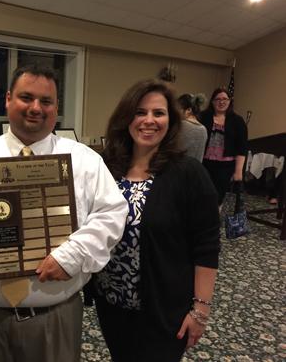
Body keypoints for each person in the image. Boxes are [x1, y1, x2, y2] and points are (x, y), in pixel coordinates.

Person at [0, 64, 128, 362]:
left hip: (55, 315)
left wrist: (71, 256)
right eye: (26, 97)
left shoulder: (84, 161)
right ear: (8, 100)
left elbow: (112, 214)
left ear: (56, 107)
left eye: (46, 101)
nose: (36, 108)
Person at [92, 79, 220, 361]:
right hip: (111, 302)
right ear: (126, 118)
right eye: (140, 112)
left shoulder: (188, 173)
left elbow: (207, 246)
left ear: (170, 121)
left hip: (163, 307)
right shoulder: (106, 168)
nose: (149, 120)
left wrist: (200, 311)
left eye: (158, 113)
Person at [200, 87, 248, 206]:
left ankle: (214, 220)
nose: (221, 102)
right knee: (202, 193)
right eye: (218, 99)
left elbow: (242, 148)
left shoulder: (237, 121)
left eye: (225, 99)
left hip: (225, 165)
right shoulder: (203, 117)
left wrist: (238, 172)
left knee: (218, 195)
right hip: (204, 163)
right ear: (212, 101)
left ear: (230, 101)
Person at [178, 93, 207, 162]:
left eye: (179, 108)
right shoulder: (203, 129)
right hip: (195, 170)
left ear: (189, 110)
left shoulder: (182, 125)